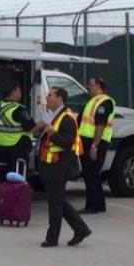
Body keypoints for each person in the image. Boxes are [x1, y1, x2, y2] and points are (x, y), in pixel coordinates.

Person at [39, 87, 91, 248]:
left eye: (50, 95)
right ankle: (81, 229)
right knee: (58, 201)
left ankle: (52, 237)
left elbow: (68, 142)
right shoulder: (55, 115)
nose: (47, 98)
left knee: (55, 204)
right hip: (51, 166)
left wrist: (53, 133)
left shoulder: (67, 118)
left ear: (60, 98)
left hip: (59, 167)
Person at [0, 81, 44, 183]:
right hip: (17, 148)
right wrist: (44, 123)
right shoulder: (18, 110)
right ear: (13, 92)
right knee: (17, 176)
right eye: (19, 90)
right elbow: (31, 127)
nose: (20, 93)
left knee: (1, 175)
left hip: (0, 146)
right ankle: (15, 197)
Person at [78, 77, 115, 214]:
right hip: (88, 141)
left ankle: (92, 206)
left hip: (96, 142)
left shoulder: (104, 102)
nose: (88, 87)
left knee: (91, 174)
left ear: (99, 86)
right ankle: (99, 204)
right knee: (91, 174)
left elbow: (100, 125)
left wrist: (95, 146)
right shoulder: (92, 101)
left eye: (91, 85)